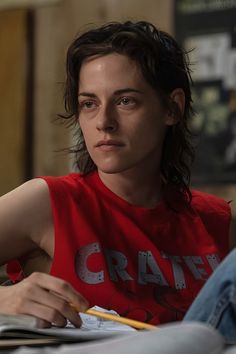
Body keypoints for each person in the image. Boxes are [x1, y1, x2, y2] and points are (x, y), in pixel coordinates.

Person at [0, 20, 232, 329]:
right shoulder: (49, 202)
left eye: (125, 101)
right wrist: (4, 300)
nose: (103, 122)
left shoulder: (217, 221)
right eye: (89, 104)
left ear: (172, 109)